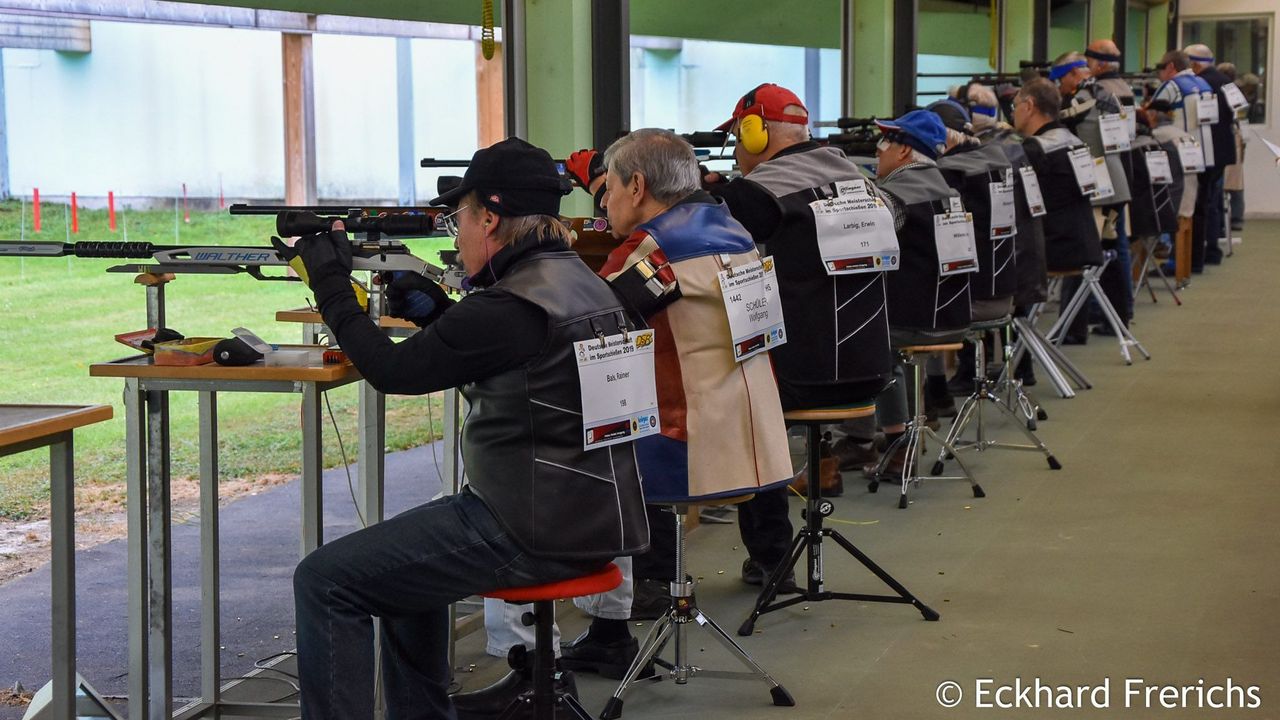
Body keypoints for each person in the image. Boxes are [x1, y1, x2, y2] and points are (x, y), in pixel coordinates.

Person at [283, 137, 650, 720]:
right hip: (593, 513)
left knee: (325, 580)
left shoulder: (508, 307)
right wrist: (441, 312)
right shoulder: (583, 282)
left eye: (461, 217)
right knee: (402, 572)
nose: (456, 234)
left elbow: (394, 372)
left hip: (529, 528)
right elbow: (526, 364)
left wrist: (331, 289)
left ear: (492, 219)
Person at [463, 130, 794, 707]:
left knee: (523, 460)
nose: (603, 203)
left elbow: (572, 327)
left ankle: (525, 658)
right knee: (605, 433)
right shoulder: (732, 229)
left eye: (608, 188)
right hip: (747, 434)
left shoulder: (654, 251)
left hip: (682, 445)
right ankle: (610, 635)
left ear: (637, 187)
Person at [704, 83, 897, 541]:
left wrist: (705, 193)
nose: (736, 152)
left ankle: (772, 557)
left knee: (740, 392)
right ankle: (824, 461)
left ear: (756, 131)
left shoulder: (761, 191)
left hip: (804, 379)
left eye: (738, 137)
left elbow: (706, 241)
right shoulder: (861, 181)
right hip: (872, 369)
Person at [866, 109, 971, 477]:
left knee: (853, 331)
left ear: (904, 152)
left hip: (911, 323)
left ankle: (885, 442)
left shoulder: (894, 196)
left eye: (884, 143)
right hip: (952, 319)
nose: (878, 151)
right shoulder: (950, 190)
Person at [965, 83, 1048, 390]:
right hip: (1028, 253)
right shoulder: (1023, 143)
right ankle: (1022, 368)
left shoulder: (975, 154)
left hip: (998, 262)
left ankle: (972, 375)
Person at [1052, 51, 1133, 339]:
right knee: (1112, 255)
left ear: (1074, 74)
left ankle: (1073, 328)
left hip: (1098, 186)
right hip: (1115, 181)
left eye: (1059, 80)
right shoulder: (1105, 92)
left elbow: (1056, 125)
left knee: (1080, 253)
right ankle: (1118, 320)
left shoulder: (1082, 98)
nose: (1058, 87)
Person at [1013, 77, 1104, 283]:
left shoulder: (1035, 150)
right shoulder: (1075, 142)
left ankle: (1014, 314)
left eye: (1015, 105)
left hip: (1053, 247)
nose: (1012, 112)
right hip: (1086, 242)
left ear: (1029, 106)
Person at [1150, 49, 1219, 274]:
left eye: (1161, 68)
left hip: (1181, 156)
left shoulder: (1173, 86)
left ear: (1171, 67)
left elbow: (1150, 114)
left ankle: (1177, 262)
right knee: (1199, 210)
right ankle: (1193, 261)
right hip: (1206, 154)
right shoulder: (1203, 84)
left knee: (1178, 209)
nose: (1160, 73)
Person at [1186, 44, 1238, 267]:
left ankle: (1198, 254)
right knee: (1214, 202)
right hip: (1224, 150)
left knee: (1202, 203)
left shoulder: (1201, 84)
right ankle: (1213, 250)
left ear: (1195, 64)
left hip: (1207, 151)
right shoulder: (1226, 81)